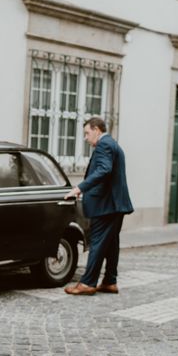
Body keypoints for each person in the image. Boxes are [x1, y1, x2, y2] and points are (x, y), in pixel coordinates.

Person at [64, 116, 133, 296]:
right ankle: (110, 281)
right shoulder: (112, 144)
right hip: (115, 205)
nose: (86, 138)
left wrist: (79, 188)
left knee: (97, 243)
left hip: (106, 206)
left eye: (87, 133)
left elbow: (103, 169)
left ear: (97, 129)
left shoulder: (104, 145)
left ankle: (88, 283)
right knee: (111, 243)